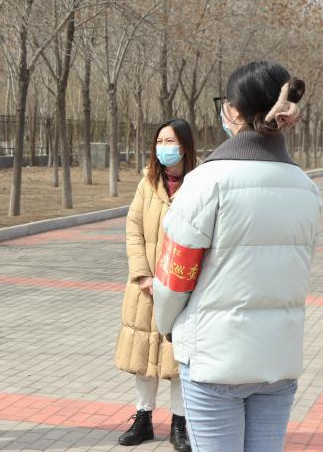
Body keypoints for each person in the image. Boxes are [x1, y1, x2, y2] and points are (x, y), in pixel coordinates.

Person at [152, 61, 322, 452]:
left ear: (232, 110)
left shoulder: (205, 182)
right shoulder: (305, 187)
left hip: (214, 359)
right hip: (278, 357)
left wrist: (166, 324)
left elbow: (175, 278)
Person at [115, 118, 197, 451]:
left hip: (182, 288)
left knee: (178, 358)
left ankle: (180, 424)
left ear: (185, 146)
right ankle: (143, 418)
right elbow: (133, 229)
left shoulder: (199, 184)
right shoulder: (147, 183)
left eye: (170, 141)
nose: (164, 148)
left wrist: (182, 281)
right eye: (160, 142)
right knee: (143, 354)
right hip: (146, 288)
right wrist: (143, 274)